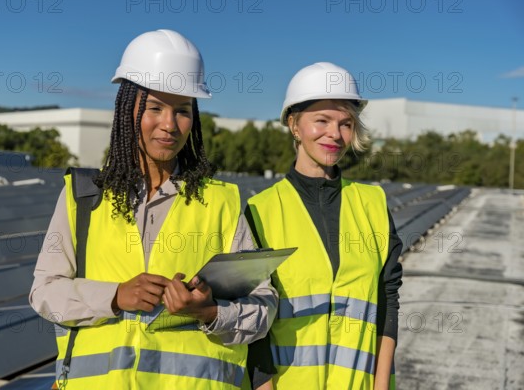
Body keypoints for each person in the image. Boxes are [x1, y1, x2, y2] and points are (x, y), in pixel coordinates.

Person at [29, 29, 277, 389]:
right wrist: (114, 296)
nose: (169, 125)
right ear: (128, 108)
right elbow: (45, 292)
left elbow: (264, 307)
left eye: (182, 111)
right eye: (155, 108)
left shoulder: (223, 202)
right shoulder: (83, 196)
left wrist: (210, 312)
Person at [245, 62, 403, 389]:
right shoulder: (260, 211)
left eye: (346, 123)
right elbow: (254, 318)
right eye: (322, 121)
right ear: (294, 125)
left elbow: (387, 301)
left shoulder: (372, 203)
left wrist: (381, 385)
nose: (335, 134)